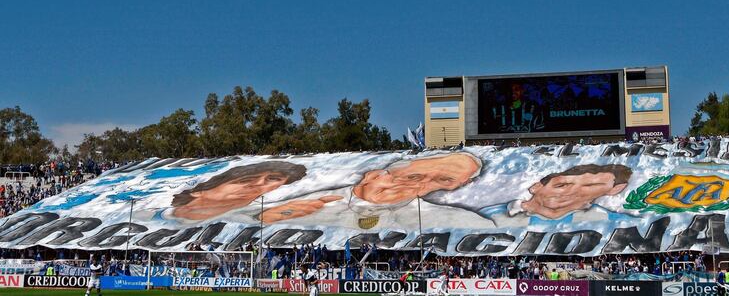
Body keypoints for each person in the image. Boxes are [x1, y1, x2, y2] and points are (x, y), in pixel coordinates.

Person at [259, 153, 494, 229]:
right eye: (413, 175)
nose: (415, 185)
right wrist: (266, 217)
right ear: (373, 174)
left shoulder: (456, 219)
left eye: (442, 181)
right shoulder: (310, 201)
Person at [480, 164, 635, 226]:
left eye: (591, 186)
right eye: (561, 185)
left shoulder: (612, 221)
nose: (572, 191)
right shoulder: (489, 216)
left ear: (614, 190)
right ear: (536, 187)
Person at [164, 161, 306, 221]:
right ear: (200, 190)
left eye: (272, 179)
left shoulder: (253, 220)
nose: (258, 185)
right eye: (244, 180)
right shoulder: (153, 217)